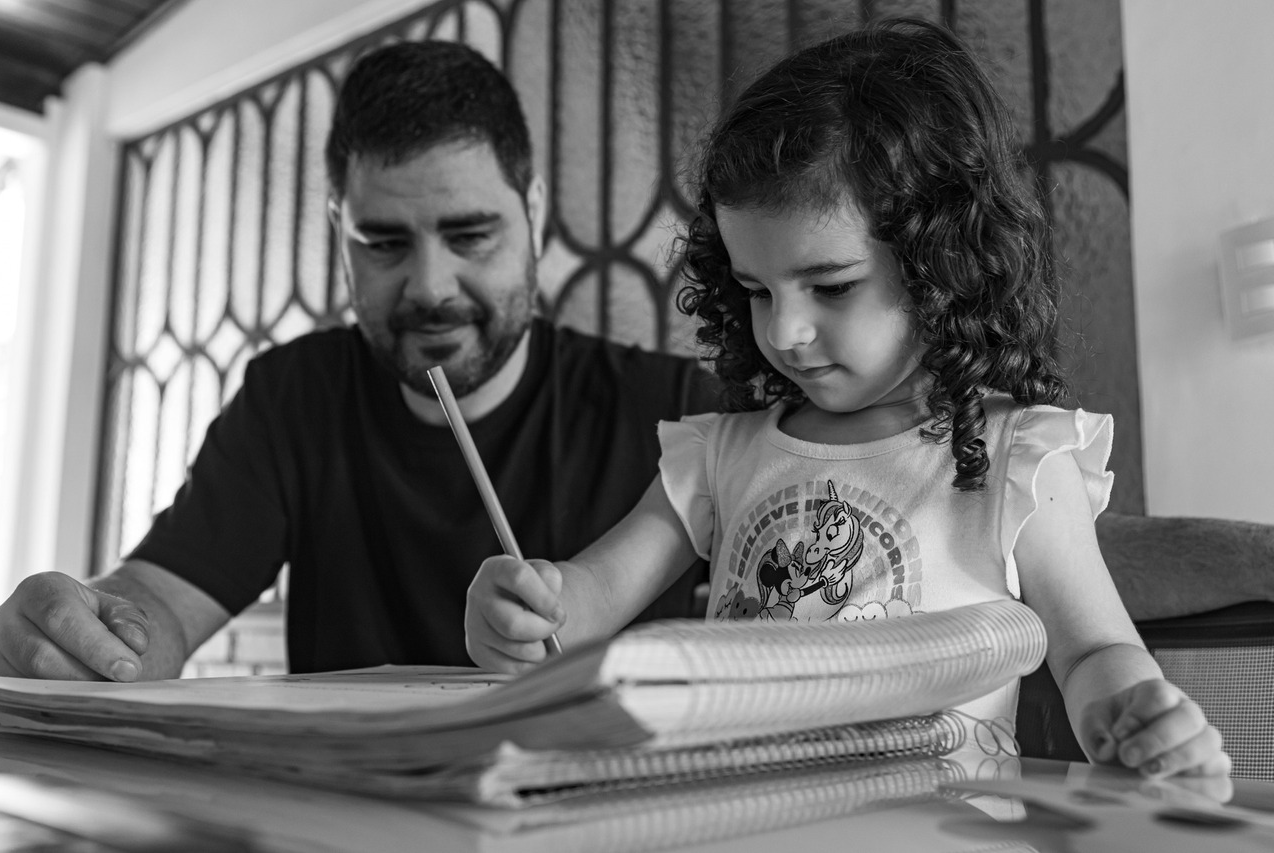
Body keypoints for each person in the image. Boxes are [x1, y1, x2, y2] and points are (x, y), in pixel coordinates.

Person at [465, 18, 1230, 781]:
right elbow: (593, 594)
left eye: (831, 286)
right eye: (756, 289)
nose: (787, 329)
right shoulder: (718, 453)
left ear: (942, 264)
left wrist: (1132, 716)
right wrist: (531, 608)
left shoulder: (1020, 456)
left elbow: (1095, 649)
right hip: (733, 824)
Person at [0, 40, 717, 681]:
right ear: (340, 228)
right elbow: (163, 605)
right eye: (384, 243)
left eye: (470, 236)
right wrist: (92, 637)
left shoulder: (677, 409)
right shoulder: (293, 397)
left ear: (532, 212)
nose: (430, 289)